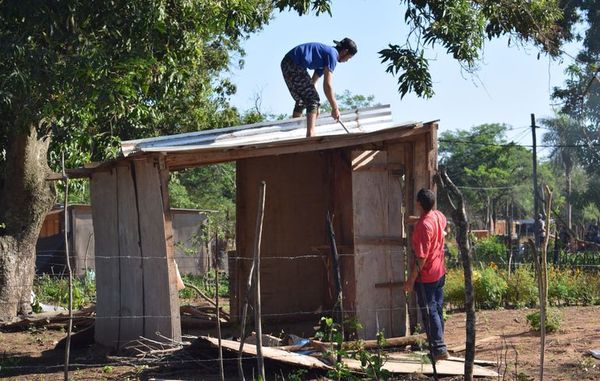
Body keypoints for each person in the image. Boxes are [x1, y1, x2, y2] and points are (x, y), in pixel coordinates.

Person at [404, 188, 449, 362]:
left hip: (428, 276)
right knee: (437, 310)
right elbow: (443, 226)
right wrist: (417, 219)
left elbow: (421, 259)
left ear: (418, 204)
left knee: (430, 312)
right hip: (439, 272)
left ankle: (438, 349)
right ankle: (440, 346)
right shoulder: (437, 216)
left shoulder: (423, 227)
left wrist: (410, 280)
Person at [281, 38, 357, 137]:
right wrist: (335, 108)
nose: (347, 61)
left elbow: (313, 82)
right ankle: (311, 135)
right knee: (312, 99)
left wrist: (317, 107)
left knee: (303, 99)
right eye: (349, 58)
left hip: (287, 63)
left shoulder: (325, 57)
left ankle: (293, 129)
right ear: (345, 52)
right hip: (294, 64)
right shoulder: (332, 55)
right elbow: (327, 85)